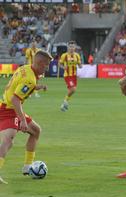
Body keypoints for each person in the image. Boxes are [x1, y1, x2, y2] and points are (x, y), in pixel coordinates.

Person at [0, 50, 52, 184]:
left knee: (35, 131)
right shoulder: (30, 78)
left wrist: (37, 87)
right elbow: (15, 99)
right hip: (9, 109)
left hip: (7, 106)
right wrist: (22, 120)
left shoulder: (26, 68)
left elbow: (20, 85)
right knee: (8, 140)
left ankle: (28, 166)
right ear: (40, 63)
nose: (47, 68)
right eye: (46, 65)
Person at [59, 41, 82, 112]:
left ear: (75, 47)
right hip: (67, 75)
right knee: (73, 89)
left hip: (74, 76)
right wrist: (63, 67)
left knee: (72, 90)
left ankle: (64, 105)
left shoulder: (77, 55)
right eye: (70, 46)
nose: (71, 48)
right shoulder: (64, 55)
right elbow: (60, 64)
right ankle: (65, 101)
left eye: (73, 46)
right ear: (68, 47)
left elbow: (79, 65)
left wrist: (80, 65)